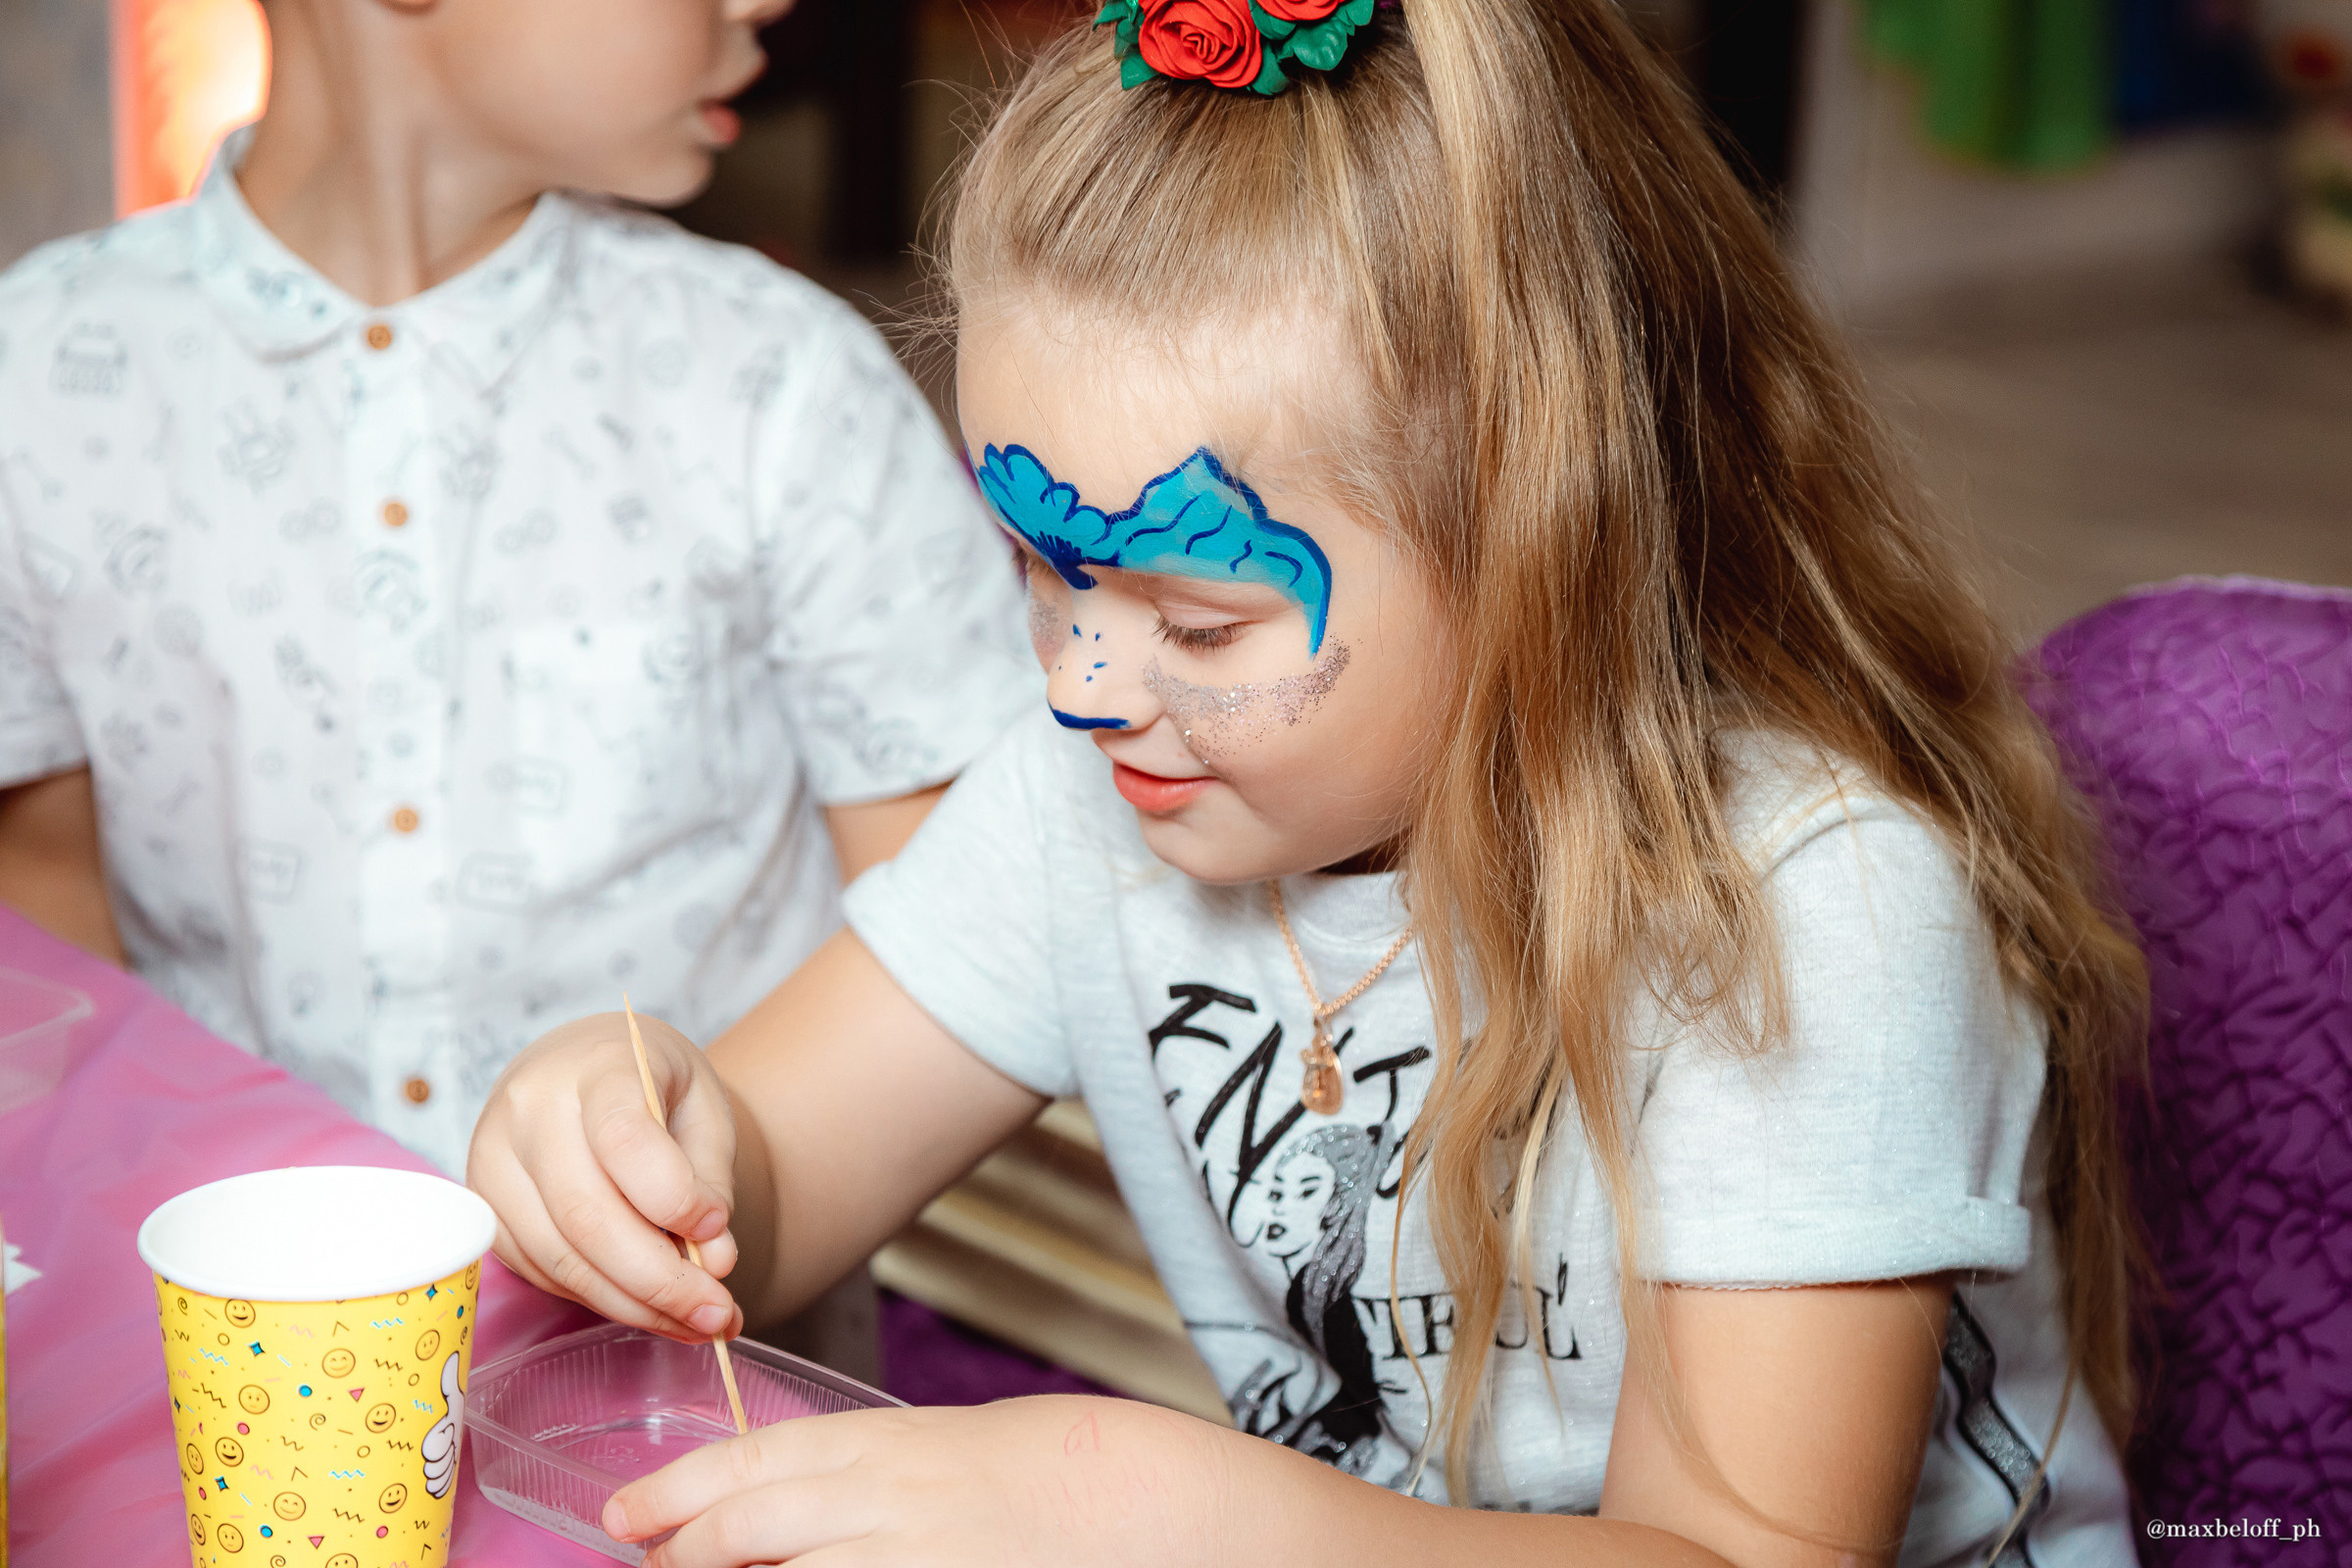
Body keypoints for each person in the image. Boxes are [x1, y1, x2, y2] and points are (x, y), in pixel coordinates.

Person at [468, 1, 2151, 1562]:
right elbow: (764, 1176)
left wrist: (1160, 1504)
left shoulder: (1804, 913)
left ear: (1542, 545)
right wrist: (635, 1139)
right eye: (1044, 569)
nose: (1080, 682)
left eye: (1199, 619)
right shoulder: (1093, 806)